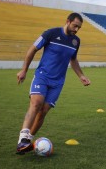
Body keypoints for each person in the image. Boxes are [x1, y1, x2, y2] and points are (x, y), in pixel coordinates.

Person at [16, 12, 91, 155]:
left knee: (43, 111)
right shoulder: (50, 33)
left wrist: (81, 75)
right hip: (42, 76)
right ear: (67, 21)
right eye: (75, 26)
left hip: (58, 82)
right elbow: (33, 49)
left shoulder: (76, 41)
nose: (76, 30)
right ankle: (23, 138)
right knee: (36, 103)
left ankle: (28, 141)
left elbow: (73, 60)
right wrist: (24, 70)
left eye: (79, 28)